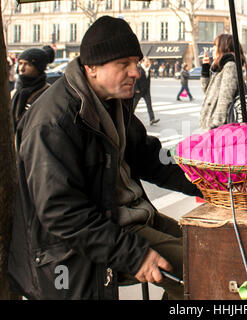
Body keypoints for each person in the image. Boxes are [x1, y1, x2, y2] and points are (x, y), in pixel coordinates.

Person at [8, 16, 201, 300]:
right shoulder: (53, 122)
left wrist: (208, 183)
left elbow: (149, 156)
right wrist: (133, 254)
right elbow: (62, 214)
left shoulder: (112, 101)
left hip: (129, 220)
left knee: (211, 247)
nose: (135, 72)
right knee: (203, 269)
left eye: (135, 62)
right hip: (82, 246)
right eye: (124, 64)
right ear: (92, 68)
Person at [199, 33, 247, 131]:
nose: (213, 49)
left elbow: (225, 99)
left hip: (217, 128)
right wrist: (205, 68)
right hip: (211, 124)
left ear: (224, 47)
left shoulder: (230, 66)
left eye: (215, 45)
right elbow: (207, 92)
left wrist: (216, 126)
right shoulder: (221, 68)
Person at [10, 45, 55, 130]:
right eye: (20, 63)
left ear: (39, 68)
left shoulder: (49, 94)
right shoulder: (14, 93)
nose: (21, 69)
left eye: (27, 64)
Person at [133, 57, 159, 125]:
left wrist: (148, 89)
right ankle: (129, 118)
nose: (148, 63)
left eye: (148, 62)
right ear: (142, 62)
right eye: (147, 62)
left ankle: (152, 119)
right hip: (139, 91)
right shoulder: (139, 68)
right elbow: (135, 80)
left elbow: (148, 81)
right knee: (134, 105)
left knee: (149, 105)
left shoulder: (148, 69)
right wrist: (136, 89)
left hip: (146, 91)